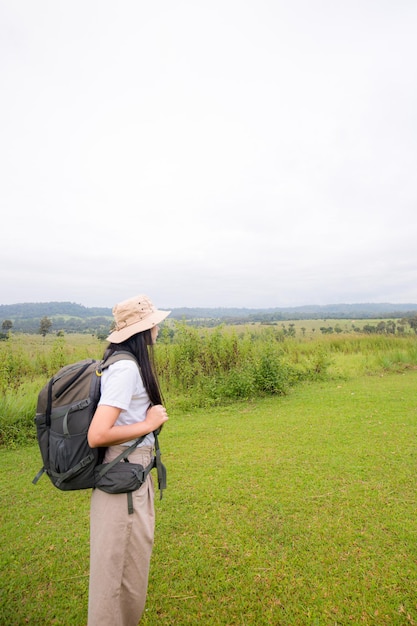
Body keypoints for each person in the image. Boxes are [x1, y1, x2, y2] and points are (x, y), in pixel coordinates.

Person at [87, 294, 171, 626]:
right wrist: (149, 423)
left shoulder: (123, 363)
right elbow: (97, 434)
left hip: (130, 476)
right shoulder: (125, 368)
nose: (157, 329)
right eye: (154, 324)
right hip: (124, 482)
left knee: (125, 577)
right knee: (118, 582)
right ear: (143, 329)